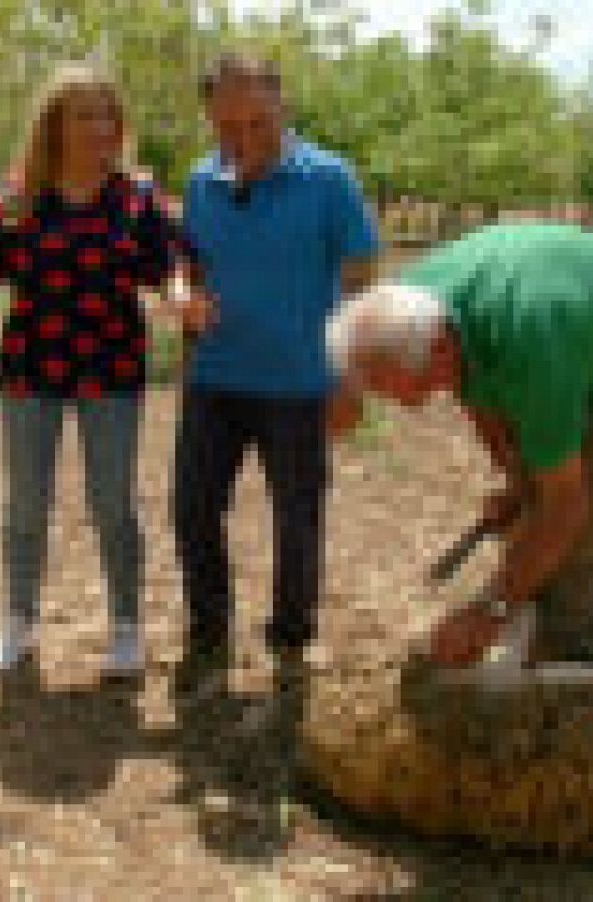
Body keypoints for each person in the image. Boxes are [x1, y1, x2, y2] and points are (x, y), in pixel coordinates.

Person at [0, 63, 201, 675]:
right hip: (29, 368)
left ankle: (125, 628)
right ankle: (17, 623)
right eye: (85, 115)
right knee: (25, 503)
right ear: (54, 125)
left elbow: (168, 264)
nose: (101, 128)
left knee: (113, 504)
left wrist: (178, 298)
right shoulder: (16, 197)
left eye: (108, 115)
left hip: (112, 369)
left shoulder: (136, 197)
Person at [325, 222, 593, 667]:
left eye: (408, 388)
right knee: (537, 497)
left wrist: (489, 610)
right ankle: (527, 605)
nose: (410, 404)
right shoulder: (408, 306)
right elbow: (476, 393)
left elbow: (566, 503)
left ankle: (577, 652)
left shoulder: (531, 350)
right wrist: (520, 483)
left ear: (441, 349)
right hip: (556, 323)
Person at [173, 54, 380, 690]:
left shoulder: (330, 180)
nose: (243, 139)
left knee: (298, 516)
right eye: (227, 126)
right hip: (214, 379)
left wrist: (350, 377)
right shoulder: (201, 181)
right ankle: (209, 633)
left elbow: (360, 276)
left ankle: (290, 639)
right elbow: (192, 269)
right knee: (193, 509)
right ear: (209, 118)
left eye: (257, 122)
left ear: (281, 107)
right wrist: (185, 308)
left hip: (299, 384)